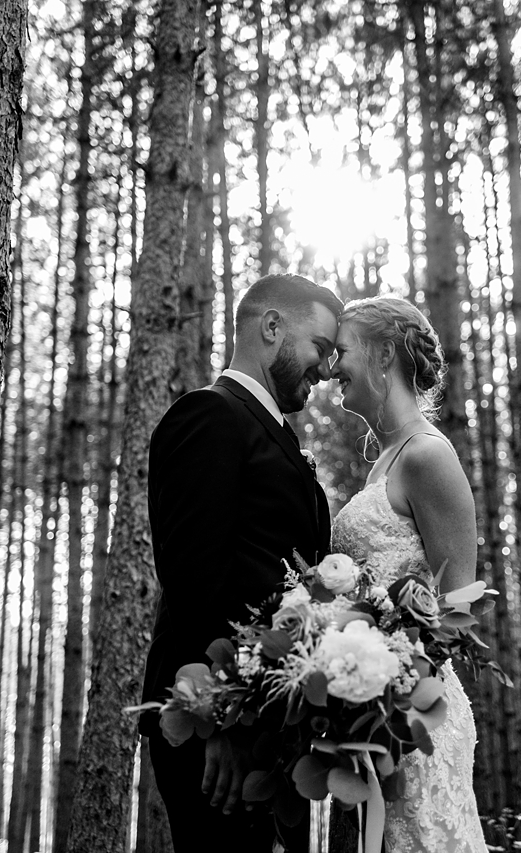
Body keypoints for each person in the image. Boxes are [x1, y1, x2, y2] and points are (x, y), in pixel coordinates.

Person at [140, 273, 343, 852]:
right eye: (320, 349)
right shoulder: (208, 416)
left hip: (272, 724)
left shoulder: (270, 433)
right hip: (218, 728)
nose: (326, 369)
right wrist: (218, 719)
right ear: (272, 327)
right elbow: (194, 577)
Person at [327, 295, 487, 853]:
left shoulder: (426, 455)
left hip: (415, 717)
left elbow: (460, 602)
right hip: (372, 711)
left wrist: (393, 697)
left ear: (384, 353)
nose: (331, 367)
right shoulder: (384, 458)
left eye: (342, 352)